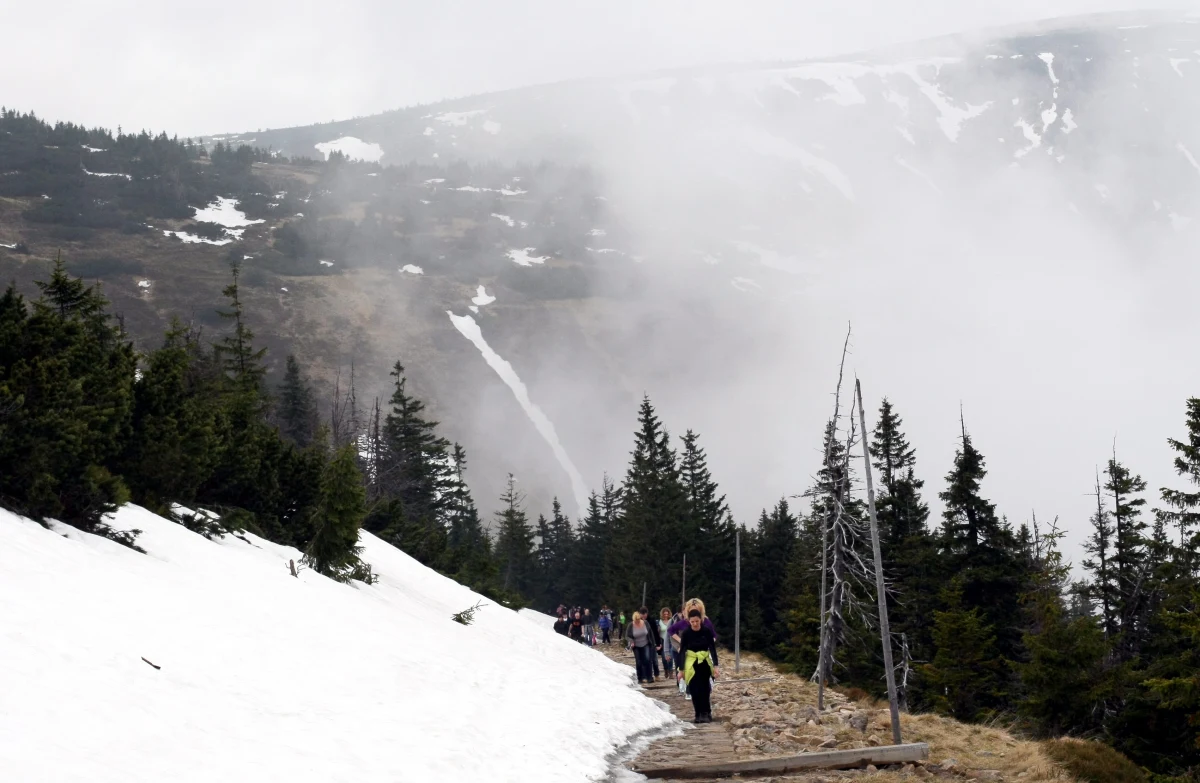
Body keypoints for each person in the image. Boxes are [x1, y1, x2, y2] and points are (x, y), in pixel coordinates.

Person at [679, 608, 720, 723]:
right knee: (694, 689)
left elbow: (712, 648)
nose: (695, 624)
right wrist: (681, 669)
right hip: (691, 663)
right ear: (689, 621)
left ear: (700, 620)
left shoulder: (706, 631)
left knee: (705, 689)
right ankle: (698, 713)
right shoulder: (686, 633)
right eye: (692, 622)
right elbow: (682, 651)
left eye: (697, 621)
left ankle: (706, 712)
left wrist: (716, 666)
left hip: (704, 663)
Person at [624, 611, 659, 684]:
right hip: (636, 645)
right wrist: (631, 640)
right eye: (636, 621)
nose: (637, 622)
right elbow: (627, 636)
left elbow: (650, 633)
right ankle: (640, 678)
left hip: (645, 643)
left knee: (647, 659)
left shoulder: (645, 623)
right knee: (639, 661)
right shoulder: (631, 625)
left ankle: (649, 677)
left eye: (638, 620)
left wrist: (653, 643)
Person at [639, 605, 662, 679]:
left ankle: (656, 674)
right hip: (643, 643)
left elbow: (655, 632)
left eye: (644, 614)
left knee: (654, 659)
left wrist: (658, 643)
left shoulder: (651, 620)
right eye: (642, 614)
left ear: (647, 613)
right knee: (646, 659)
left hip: (652, 642)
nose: (643, 616)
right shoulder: (638, 621)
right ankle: (646, 675)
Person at [657, 607, 676, 679]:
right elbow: (658, 632)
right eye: (664, 614)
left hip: (670, 640)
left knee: (670, 656)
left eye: (667, 614)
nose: (666, 615)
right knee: (664, 658)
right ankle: (666, 669)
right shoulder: (659, 622)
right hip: (662, 640)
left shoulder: (671, 621)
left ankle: (671, 672)